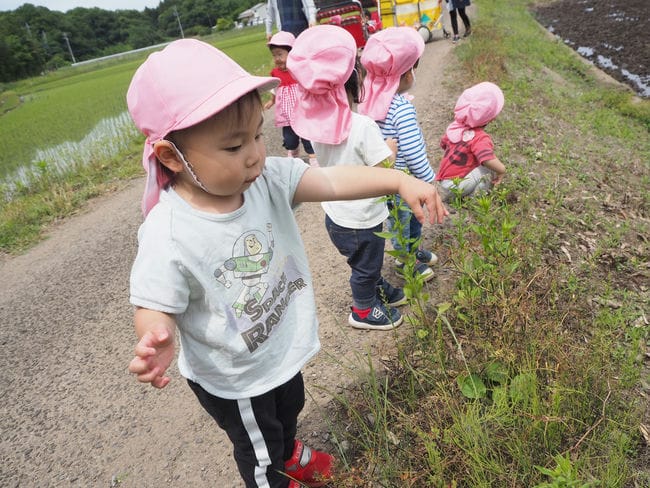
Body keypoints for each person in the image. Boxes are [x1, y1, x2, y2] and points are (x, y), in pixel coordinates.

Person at [125, 39, 447, 488]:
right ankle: (273, 473)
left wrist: (396, 179)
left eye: (258, 134)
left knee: (289, 406)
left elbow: (332, 179)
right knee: (257, 448)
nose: (256, 153)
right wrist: (154, 338)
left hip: (279, 348)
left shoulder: (268, 180)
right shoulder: (170, 231)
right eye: (235, 147)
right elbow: (154, 300)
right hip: (237, 379)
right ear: (170, 157)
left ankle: (289, 451)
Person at [288, 25, 437, 330]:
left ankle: (379, 287)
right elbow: (383, 169)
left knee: (363, 263)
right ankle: (363, 309)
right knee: (365, 266)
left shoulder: (319, 126)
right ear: (354, 81)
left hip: (336, 216)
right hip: (362, 218)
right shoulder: (363, 125)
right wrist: (391, 150)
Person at [359, 26, 439, 282]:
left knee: (400, 220)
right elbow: (413, 150)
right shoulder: (401, 108)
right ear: (405, 75)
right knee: (408, 220)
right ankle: (407, 260)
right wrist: (427, 177)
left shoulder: (369, 101)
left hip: (385, 178)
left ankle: (411, 250)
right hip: (405, 179)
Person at [435, 81, 506, 200]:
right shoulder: (480, 138)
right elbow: (487, 159)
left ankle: (463, 194)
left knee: (478, 166)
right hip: (455, 187)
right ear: (492, 118)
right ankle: (475, 200)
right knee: (488, 170)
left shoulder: (454, 128)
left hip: (442, 184)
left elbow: (443, 144)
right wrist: (502, 170)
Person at [264, 31, 318, 167]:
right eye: (274, 55)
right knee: (290, 140)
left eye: (280, 54)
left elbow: (308, 84)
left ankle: (314, 159)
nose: (277, 58)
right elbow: (275, 90)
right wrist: (272, 101)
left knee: (307, 137)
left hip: (303, 113)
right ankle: (293, 158)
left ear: (292, 53)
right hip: (286, 116)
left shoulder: (298, 69)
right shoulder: (274, 73)